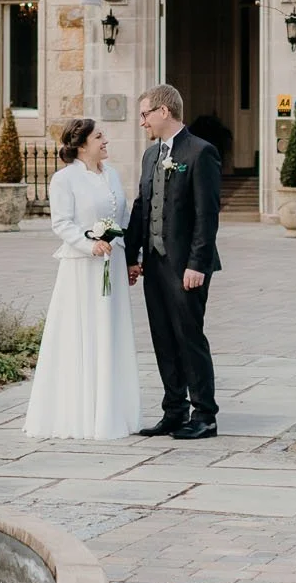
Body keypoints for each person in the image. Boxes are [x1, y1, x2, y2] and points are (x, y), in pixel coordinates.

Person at [21, 117, 141, 438]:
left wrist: (131, 257)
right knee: (83, 331)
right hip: (83, 267)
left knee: (111, 332)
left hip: (113, 263)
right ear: (83, 145)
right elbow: (62, 223)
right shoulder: (64, 179)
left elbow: (123, 218)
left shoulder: (111, 173)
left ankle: (113, 411)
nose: (105, 141)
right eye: (99, 137)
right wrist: (90, 244)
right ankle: (82, 413)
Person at [126, 82, 221, 439]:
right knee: (163, 337)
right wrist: (131, 257)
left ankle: (205, 415)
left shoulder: (201, 152)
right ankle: (175, 411)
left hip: (186, 266)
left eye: (145, 114)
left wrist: (197, 263)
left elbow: (207, 215)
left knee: (188, 337)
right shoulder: (150, 155)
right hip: (154, 264)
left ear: (164, 111)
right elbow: (142, 206)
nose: (142, 122)